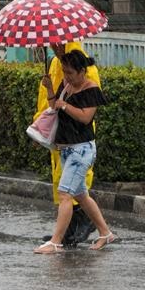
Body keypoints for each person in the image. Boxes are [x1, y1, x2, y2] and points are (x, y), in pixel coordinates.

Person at [34, 50, 117, 254]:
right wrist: (51, 89)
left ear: (82, 71)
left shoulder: (91, 89)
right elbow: (54, 106)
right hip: (66, 148)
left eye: (70, 72)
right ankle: (105, 233)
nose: (67, 76)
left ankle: (55, 241)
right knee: (81, 195)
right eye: (64, 72)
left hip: (82, 150)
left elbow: (85, 117)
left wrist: (65, 105)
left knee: (65, 194)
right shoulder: (67, 85)